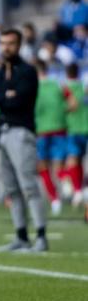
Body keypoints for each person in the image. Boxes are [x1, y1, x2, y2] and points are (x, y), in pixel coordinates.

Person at [0, 29, 49, 252]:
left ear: (19, 45)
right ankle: (21, 236)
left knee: (29, 185)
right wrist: (6, 95)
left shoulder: (28, 71)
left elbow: (20, 101)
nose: (6, 47)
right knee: (11, 189)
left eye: (10, 43)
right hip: (1, 132)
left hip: (21, 132)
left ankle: (41, 236)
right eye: (3, 43)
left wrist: (3, 98)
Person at [34, 58, 75, 215]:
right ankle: (66, 181)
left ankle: (55, 200)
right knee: (59, 166)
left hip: (41, 131)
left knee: (43, 167)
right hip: (60, 129)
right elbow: (73, 104)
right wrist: (60, 113)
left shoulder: (33, 86)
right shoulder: (58, 84)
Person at [61, 63, 87, 208]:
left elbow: (66, 107)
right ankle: (80, 189)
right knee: (79, 160)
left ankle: (76, 191)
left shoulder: (65, 89)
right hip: (85, 128)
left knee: (71, 160)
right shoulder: (84, 88)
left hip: (72, 129)